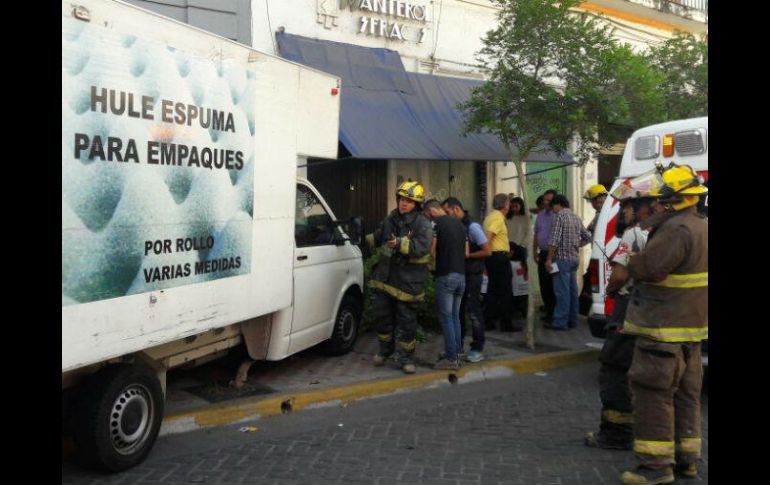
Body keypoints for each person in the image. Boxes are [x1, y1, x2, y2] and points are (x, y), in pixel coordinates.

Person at [620, 164, 708, 485]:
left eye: (660, 200)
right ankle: (687, 460)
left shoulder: (676, 230)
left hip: (662, 330)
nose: (655, 204)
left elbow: (651, 268)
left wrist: (633, 259)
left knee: (652, 395)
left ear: (673, 201)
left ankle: (655, 468)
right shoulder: (701, 226)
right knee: (686, 396)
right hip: (689, 331)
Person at [584, 189, 655, 451]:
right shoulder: (662, 233)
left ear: (640, 208)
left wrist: (611, 290)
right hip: (652, 309)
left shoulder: (632, 234)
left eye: (626, 208)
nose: (622, 213)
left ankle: (616, 433)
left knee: (614, 367)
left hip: (628, 307)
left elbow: (620, 275)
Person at [367, 181, 433, 374]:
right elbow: (380, 237)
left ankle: (406, 358)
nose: (404, 203)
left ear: (417, 205)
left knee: (407, 322)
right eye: (402, 199)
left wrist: (400, 244)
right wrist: (364, 239)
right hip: (385, 279)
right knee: (382, 317)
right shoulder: (391, 218)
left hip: (408, 282)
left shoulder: (423, 223)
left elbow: (421, 247)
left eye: (409, 201)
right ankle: (385, 351)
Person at [442, 197, 491, 363]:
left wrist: (469, 255)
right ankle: (457, 347)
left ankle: (477, 348)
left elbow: (487, 251)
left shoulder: (473, 227)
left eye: (448, 212)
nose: (447, 217)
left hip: (473, 276)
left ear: (456, 209)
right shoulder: (455, 227)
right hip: (460, 276)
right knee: (458, 312)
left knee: (473, 312)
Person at [423, 199, 468, 370]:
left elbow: (432, 250)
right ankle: (456, 353)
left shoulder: (436, 224)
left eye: (427, 215)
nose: (428, 219)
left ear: (432, 211)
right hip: (461, 276)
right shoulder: (460, 225)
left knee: (446, 318)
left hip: (446, 275)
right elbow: (466, 251)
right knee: (455, 317)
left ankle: (450, 359)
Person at [544, 194, 591, 331]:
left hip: (562, 260)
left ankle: (560, 322)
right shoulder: (575, 217)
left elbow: (554, 240)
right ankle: (572, 320)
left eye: (553, 206)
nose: (552, 209)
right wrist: (577, 245)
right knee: (572, 291)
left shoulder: (560, 216)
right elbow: (588, 236)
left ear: (558, 204)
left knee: (561, 292)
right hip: (574, 259)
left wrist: (548, 259)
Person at [482, 193, 516, 332]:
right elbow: (488, 237)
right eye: (509, 203)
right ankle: (506, 324)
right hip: (498, 258)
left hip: (493, 257)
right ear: (506, 206)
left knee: (493, 291)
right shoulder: (497, 218)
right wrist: (487, 253)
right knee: (505, 291)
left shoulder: (491, 216)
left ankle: (489, 321)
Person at [580, 184, 608, 315]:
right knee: (589, 280)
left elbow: (588, 232)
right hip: (599, 254)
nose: (592, 204)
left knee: (592, 281)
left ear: (599, 200)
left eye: (592, 201)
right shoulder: (601, 214)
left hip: (604, 255)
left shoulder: (605, 214)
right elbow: (588, 233)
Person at [533, 189, 557, 323]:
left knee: (553, 285)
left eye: (549, 200)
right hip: (542, 253)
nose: (546, 202)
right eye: (544, 200)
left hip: (554, 255)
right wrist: (534, 251)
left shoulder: (557, 215)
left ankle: (554, 313)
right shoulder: (540, 215)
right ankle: (548, 311)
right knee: (544, 284)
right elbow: (536, 234)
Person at [505, 195, 529, 262]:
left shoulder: (526, 218)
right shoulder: (507, 218)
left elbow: (528, 234)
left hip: (521, 248)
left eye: (516, 206)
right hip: (508, 247)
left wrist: (520, 246)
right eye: (512, 206)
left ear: (521, 206)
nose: (514, 208)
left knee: (520, 271)